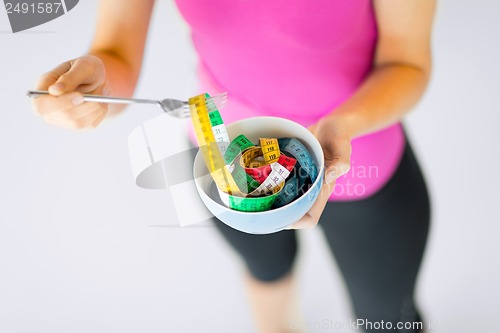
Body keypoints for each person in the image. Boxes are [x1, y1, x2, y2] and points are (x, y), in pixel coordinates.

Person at [32, 0, 435, 332]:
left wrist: (340, 125)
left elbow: (407, 62)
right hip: (220, 160)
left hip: (359, 156)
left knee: (388, 320)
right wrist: (92, 91)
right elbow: (116, 54)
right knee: (265, 270)